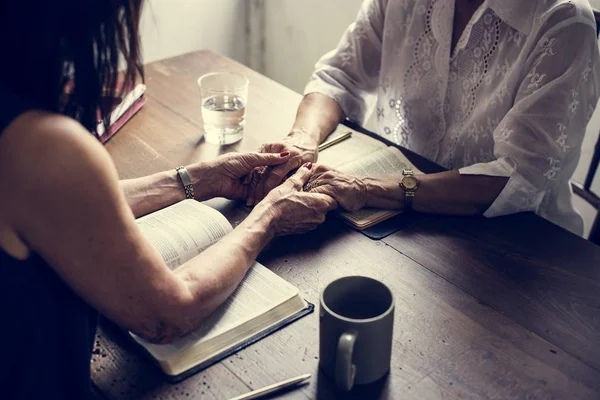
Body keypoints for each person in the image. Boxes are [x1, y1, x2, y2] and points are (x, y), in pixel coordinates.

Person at [0, 1, 337, 398]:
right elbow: (167, 314)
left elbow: (68, 206)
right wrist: (270, 216)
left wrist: (193, 180)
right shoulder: (45, 147)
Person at [252, 0, 600, 235]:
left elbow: (518, 179)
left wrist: (364, 188)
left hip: (518, 244)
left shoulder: (565, 22)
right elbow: (340, 76)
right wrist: (302, 139)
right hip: (404, 218)